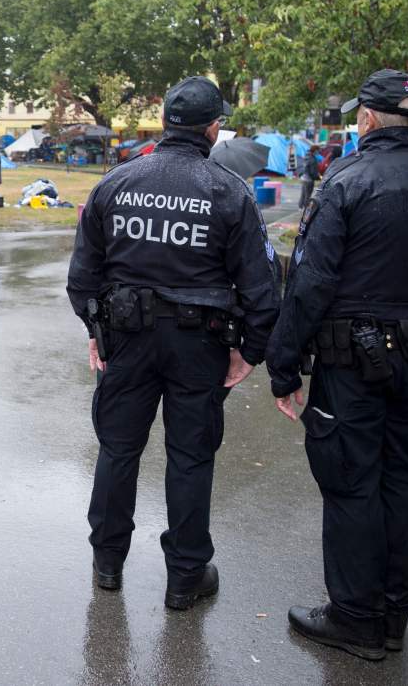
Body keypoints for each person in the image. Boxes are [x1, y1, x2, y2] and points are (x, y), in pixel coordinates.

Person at [266, 69, 408, 661]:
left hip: (349, 371)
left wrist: (284, 368)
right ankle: (393, 613)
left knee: (350, 486)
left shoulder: (343, 184)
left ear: (365, 120)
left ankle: (356, 618)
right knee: (403, 485)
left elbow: (308, 285)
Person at [67, 76, 281, 609]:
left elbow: (81, 278)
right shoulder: (230, 190)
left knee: (118, 449)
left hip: (129, 339)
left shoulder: (115, 183)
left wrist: (97, 330)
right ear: (213, 128)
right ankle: (185, 576)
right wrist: (250, 351)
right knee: (190, 459)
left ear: (165, 122)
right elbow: (261, 287)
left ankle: (108, 562)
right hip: (199, 344)